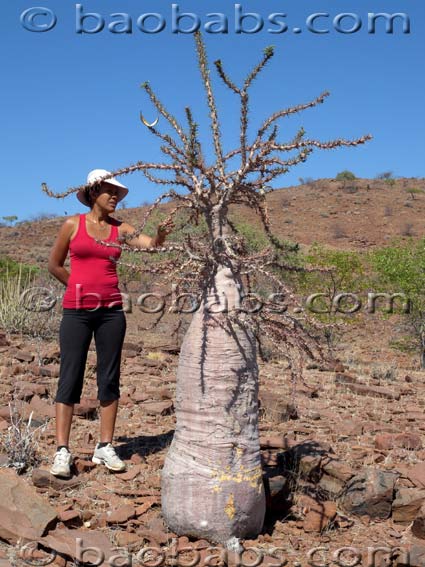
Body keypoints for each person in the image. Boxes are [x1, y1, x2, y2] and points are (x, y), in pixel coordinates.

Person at [47, 169, 173, 478]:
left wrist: (160, 235)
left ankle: (105, 446)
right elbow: (54, 264)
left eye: (117, 192)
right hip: (76, 312)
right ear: (93, 193)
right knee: (70, 375)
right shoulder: (72, 225)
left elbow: (151, 245)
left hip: (111, 313)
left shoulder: (121, 229)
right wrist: (76, 286)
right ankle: (62, 450)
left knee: (109, 377)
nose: (115, 196)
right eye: (109, 191)